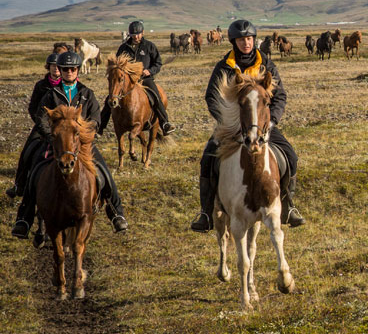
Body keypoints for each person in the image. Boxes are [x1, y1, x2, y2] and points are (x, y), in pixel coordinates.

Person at [189, 19, 304, 232]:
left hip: (262, 126)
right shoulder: (224, 67)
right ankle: (205, 213)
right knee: (207, 159)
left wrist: (272, 121)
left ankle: (288, 206)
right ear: (234, 42)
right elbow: (211, 98)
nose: (246, 43)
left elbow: (280, 96)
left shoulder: (266, 64)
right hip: (231, 127)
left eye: (249, 39)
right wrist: (228, 122)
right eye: (242, 40)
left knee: (291, 156)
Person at [12, 52, 128, 238]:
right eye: (65, 69)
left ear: (77, 70)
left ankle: (116, 213)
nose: (68, 72)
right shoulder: (51, 94)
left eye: (72, 69)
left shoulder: (86, 93)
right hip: (55, 143)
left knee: (103, 172)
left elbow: (96, 119)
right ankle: (24, 219)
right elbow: (41, 119)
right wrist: (52, 136)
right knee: (35, 173)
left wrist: (83, 134)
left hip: (81, 144)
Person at [6, 53, 63, 199]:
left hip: (63, 128)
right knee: (27, 151)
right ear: (48, 67)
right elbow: (32, 107)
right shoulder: (41, 85)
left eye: (58, 66)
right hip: (42, 126)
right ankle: (19, 184)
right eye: (52, 65)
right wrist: (41, 124)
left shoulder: (68, 86)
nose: (55, 68)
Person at [104, 20, 175, 136]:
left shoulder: (149, 46)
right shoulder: (123, 48)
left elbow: (158, 63)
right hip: (127, 82)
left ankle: (165, 123)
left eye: (138, 34)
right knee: (110, 98)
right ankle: (101, 127)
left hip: (145, 79)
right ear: (129, 34)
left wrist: (150, 71)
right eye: (133, 34)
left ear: (142, 33)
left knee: (156, 96)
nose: (136, 36)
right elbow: (117, 65)